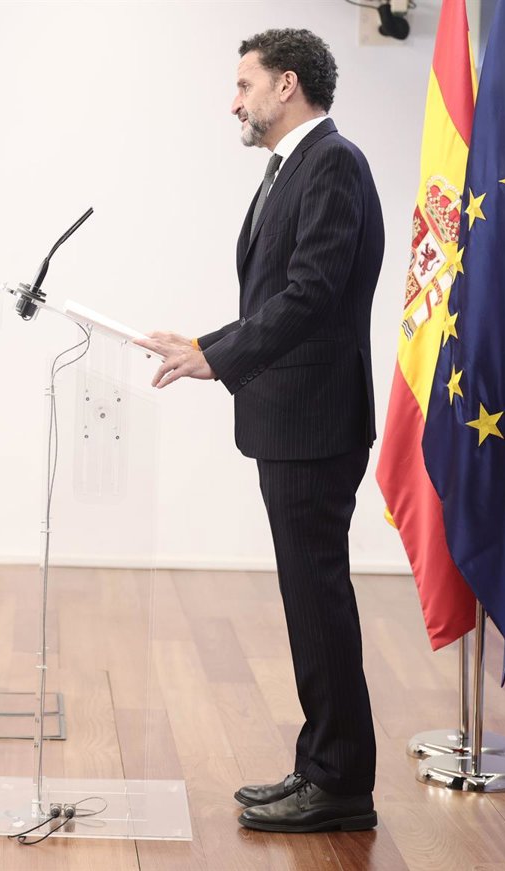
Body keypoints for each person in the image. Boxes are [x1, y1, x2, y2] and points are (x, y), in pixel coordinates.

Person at [136, 29, 384, 833]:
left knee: (318, 600)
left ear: (287, 85)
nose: (233, 102)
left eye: (244, 85)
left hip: (316, 421)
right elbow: (279, 297)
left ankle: (340, 783)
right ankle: (321, 766)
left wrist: (217, 355)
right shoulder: (291, 168)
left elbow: (311, 295)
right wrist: (208, 343)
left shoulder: (332, 163)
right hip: (290, 417)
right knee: (308, 601)